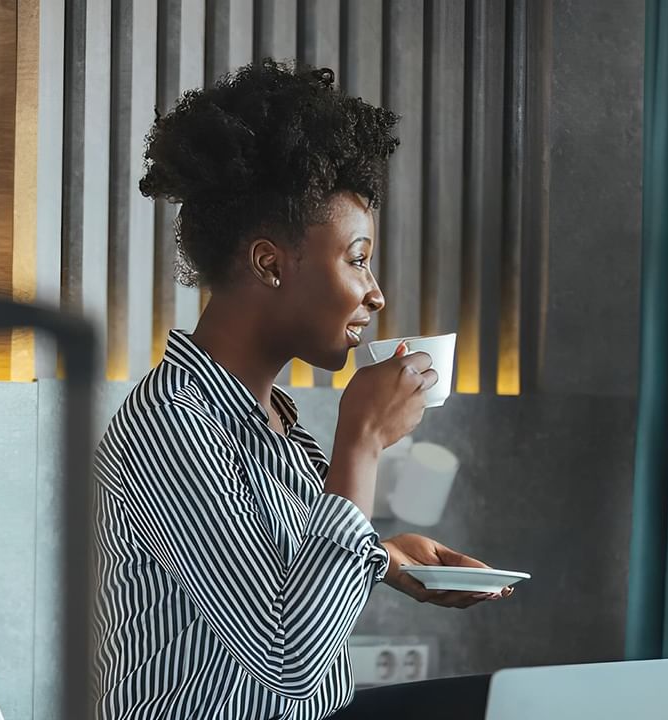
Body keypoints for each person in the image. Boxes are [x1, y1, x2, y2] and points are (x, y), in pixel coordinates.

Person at [93, 59, 505, 720]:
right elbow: (290, 658)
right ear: (269, 263)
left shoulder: (273, 425)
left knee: (515, 702)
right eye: (357, 258)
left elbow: (288, 577)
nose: (376, 292)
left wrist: (389, 559)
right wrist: (361, 441)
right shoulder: (167, 423)